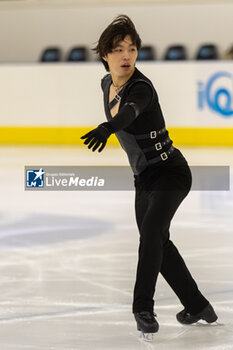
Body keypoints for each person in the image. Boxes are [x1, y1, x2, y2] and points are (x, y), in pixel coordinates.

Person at [80, 14, 218, 339]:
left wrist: (108, 126)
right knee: (159, 243)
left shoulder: (141, 87)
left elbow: (131, 111)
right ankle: (197, 304)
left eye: (132, 48)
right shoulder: (106, 84)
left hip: (171, 173)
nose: (126, 55)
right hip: (143, 179)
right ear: (105, 55)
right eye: (118, 49)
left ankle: (142, 307)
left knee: (152, 234)